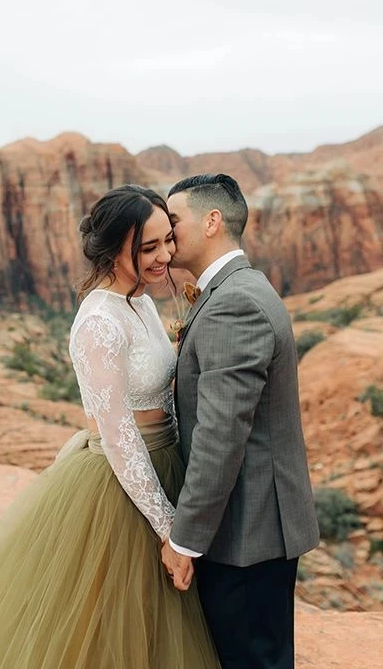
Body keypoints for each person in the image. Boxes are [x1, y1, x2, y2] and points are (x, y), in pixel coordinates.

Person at [0, 185, 219, 669]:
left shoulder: (140, 302)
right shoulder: (98, 321)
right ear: (114, 248)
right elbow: (118, 434)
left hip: (167, 465)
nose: (165, 255)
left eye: (168, 241)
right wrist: (169, 528)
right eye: (148, 247)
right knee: (107, 626)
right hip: (119, 488)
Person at [161, 174, 320, 669]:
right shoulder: (237, 289)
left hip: (246, 534)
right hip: (251, 528)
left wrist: (186, 539)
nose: (166, 237)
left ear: (212, 222)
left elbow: (220, 436)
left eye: (173, 222)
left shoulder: (234, 303)